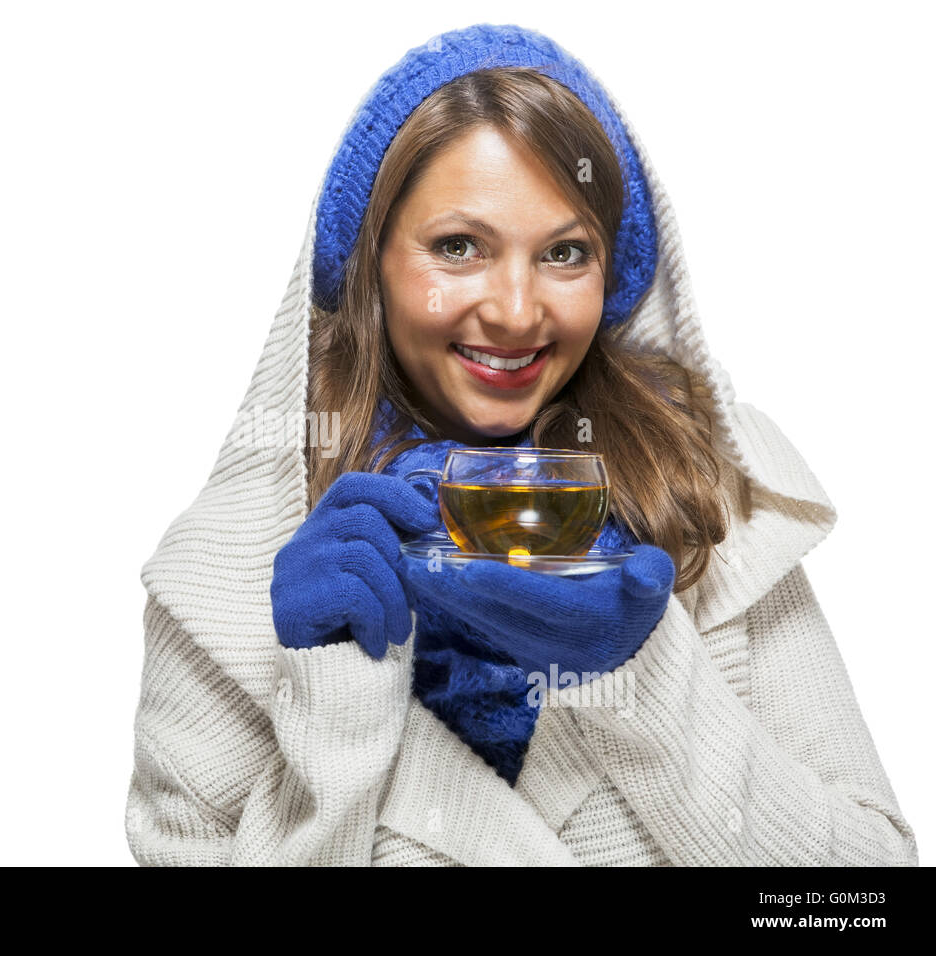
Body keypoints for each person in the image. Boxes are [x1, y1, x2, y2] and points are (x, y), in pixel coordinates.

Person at [124, 23, 919, 866]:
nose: (513, 310)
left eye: (565, 253)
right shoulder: (223, 580)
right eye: (458, 247)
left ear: (609, 276)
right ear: (371, 265)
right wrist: (334, 699)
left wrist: (638, 677)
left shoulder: (715, 497)